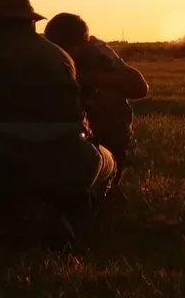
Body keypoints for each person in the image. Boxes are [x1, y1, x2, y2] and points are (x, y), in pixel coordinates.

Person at [0, 0, 116, 239]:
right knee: (106, 160)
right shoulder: (61, 55)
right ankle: (71, 208)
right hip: (72, 162)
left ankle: (4, 217)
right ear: (31, 21)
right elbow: (81, 120)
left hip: (5, 164)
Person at [43, 13, 148, 190]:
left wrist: (87, 79)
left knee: (109, 100)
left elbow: (139, 87)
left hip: (96, 131)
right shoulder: (42, 53)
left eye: (69, 49)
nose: (65, 55)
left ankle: (109, 183)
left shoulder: (98, 53)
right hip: (56, 133)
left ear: (84, 44)